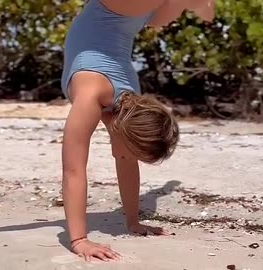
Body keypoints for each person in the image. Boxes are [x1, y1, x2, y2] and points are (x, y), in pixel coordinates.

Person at [60, 0, 215, 262]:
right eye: (134, 153)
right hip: (113, 10)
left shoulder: (131, 103)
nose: (129, 158)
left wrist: (133, 223)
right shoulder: (89, 96)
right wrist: (79, 240)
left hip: (133, 21)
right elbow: (73, 171)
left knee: (161, 17)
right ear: (123, 133)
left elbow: (126, 159)